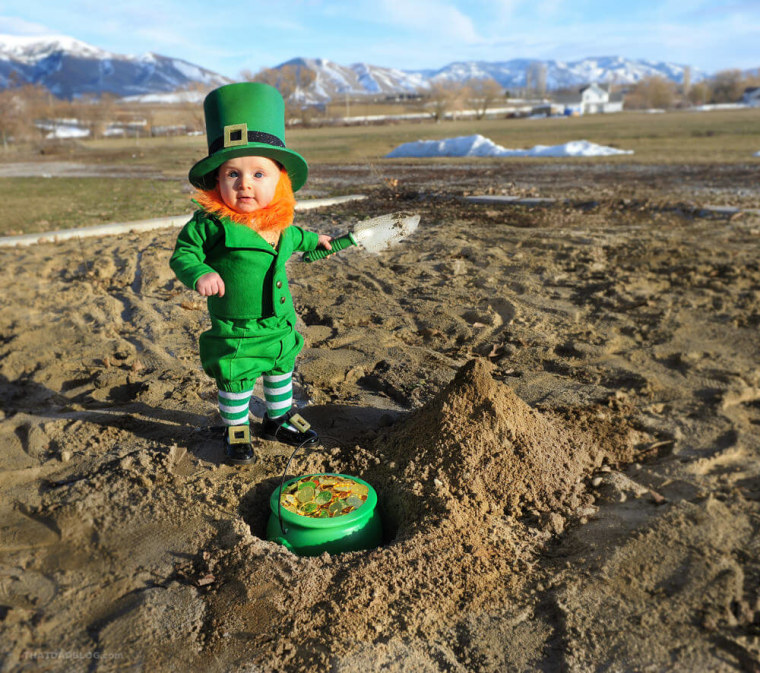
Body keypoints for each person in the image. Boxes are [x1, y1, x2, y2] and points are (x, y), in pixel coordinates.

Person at [170, 82, 332, 465]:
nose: (245, 184)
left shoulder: (280, 226)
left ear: (280, 181)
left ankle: (277, 417)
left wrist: (319, 241)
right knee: (237, 376)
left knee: (280, 366)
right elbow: (184, 253)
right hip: (237, 327)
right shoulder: (211, 224)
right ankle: (236, 426)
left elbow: (299, 238)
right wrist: (200, 273)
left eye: (259, 174)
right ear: (217, 181)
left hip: (278, 320)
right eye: (233, 175)